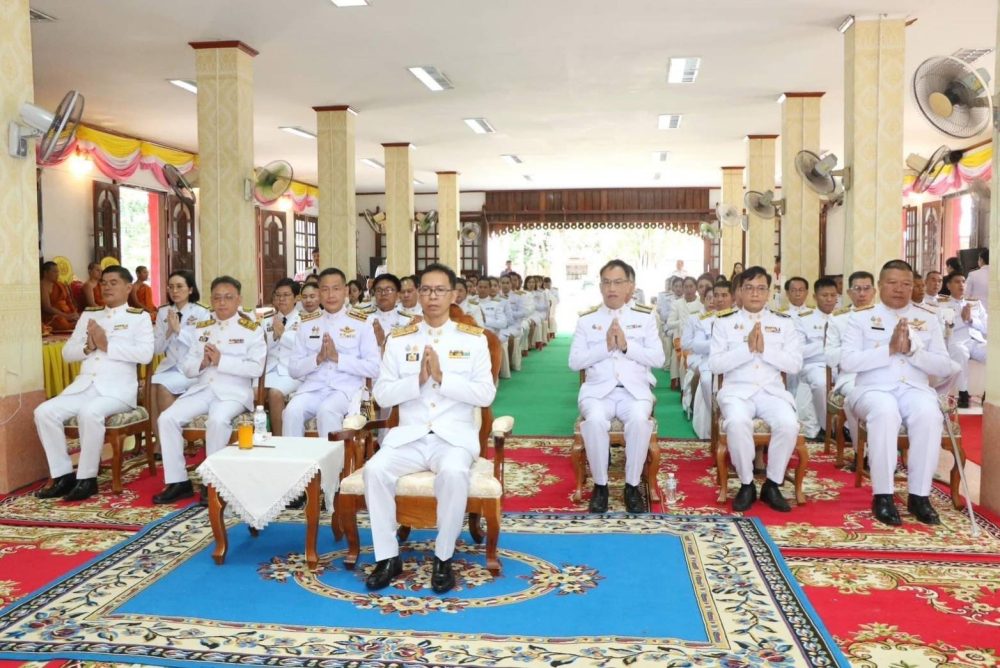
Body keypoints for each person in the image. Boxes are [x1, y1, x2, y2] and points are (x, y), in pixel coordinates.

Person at [362, 262, 496, 594]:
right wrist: (418, 380)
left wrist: (441, 378)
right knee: (374, 470)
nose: (432, 296)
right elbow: (382, 394)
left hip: (453, 438)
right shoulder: (399, 340)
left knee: (453, 473)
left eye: (439, 290)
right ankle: (387, 557)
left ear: (453, 295)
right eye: (426, 290)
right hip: (410, 436)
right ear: (418, 294)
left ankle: (443, 557)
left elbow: (485, 394)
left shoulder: (474, 340)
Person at [840, 260, 954, 526]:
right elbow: (847, 362)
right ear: (880, 285)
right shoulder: (861, 318)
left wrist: (914, 352)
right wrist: (889, 349)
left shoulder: (928, 318)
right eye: (892, 283)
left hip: (914, 388)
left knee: (929, 415)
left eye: (906, 284)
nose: (899, 289)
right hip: (872, 389)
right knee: (885, 412)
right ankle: (883, 496)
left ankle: (919, 496)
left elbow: (943, 365)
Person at [34, 266, 154, 501]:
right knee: (44, 412)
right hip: (85, 387)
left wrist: (106, 345)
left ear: (128, 287)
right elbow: (67, 353)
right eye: (104, 283)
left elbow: (145, 354)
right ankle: (63, 475)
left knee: (90, 413)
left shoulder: (139, 318)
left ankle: (87, 479)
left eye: (113, 282)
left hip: (117, 391)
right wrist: (88, 347)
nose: (107, 287)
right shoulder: (90, 315)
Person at [153, 276, 266, 504]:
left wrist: (221, 361)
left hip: (233, 393)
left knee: (217, 420)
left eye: (228, 297)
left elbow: (256, 368)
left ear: (239, 300)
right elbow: (187, 367)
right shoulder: (201, 328)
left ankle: (212, 482)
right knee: (167, 418)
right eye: (217, 298)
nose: (222, 302)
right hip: (203, 389)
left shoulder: (251, 329)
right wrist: (202, 363)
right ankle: (178, 481)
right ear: (211, 300)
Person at [569, 259, 664, 514]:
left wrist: (625, 346)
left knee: (639, 421)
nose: (612, 288)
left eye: (618, 282)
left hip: (634, 392)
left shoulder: (645, 317)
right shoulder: (587, 320)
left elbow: (658, 359)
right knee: (594, 421)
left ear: (630, 286)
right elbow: (574, 362)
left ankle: (632, 487)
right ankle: (600, 486)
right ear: (600, 286)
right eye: (607, 282)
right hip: (597, 392)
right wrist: (606, 346)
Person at [710, 266, 802, 513]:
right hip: (737, 392)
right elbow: (715, 364)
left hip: (772, 392)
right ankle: (746, 483)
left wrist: (764, 350)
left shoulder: (784, 323)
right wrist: (747, 349)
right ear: (739, 291)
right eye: (749, 288)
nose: (755, 293)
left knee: (788, 424)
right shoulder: (724, 322)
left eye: (761, 288)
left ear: (768, 293)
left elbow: (795, 365)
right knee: (737, 423)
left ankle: (772, 484)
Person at [283, 268, 380, 439]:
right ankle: (295, 456)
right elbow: (294, 370)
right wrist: (318, 358)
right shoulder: (307, 323)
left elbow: (374, 368)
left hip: (346, 389)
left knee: (327, 411)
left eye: (336, 289)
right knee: (291, 411)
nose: (330, 295)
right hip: (313, 388)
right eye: (325, 289)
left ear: (346, 291)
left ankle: (333, 458)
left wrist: (338, 358)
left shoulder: (362, 322)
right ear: (319, 293)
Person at [149, 270, 210, 443]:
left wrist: (179, 331)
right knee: (152, 386)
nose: (174, 291)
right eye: (171, 287)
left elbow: (201, 344)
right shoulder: (163, 312)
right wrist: (169, 331)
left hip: (192, 369)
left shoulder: (202, 312)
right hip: (169, 366)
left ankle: (173, 441)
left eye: (179, 286)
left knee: (162, 386)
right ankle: (161, 441)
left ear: (190, 289)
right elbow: (157, 348)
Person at [794, 277, 840, 442]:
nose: (829, 299)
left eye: (833, 295)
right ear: (815, 297)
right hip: (814, 365)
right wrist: (826, 345)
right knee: (821, 383)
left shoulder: (845, 318)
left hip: (842, 365)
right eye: (824, 295)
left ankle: (849, 427)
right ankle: (827, 427)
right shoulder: (803, 319)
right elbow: (799, 351)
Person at [691, 281, 734, 438]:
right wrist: (718, 343)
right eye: (716, 295)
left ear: (732, 297)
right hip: (710, 361)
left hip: (733, 363)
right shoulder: (705, 320)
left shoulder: (739, 319)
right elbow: (696, 346)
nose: (720, 299)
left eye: (724, 295)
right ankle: (716, 419)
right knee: (707, 381)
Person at [939, 272, 987, 408]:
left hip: (976, 341)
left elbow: (986, 327)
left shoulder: (975, 304)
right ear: (948, 285)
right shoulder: (942, 305)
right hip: (956, 340)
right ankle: (963, 393)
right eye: (957, 282)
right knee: (960, 353)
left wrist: (971, 320)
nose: (961, 285)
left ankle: (989, 392)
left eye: (963, 281)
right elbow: (941, 328)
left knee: (994, 354)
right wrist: (959, 320)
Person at [262, 279, 302, 436]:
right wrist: (273, 335)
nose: (281, 299)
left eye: (286, 295)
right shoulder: (266, 320)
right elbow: (261, 347)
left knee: (275, 393)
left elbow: (302, 347)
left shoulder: (304, 319)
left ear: (296, 298)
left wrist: (283, 334)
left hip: (291, 372)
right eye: (278, 295)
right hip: (269, 369)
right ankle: (259, 436)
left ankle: (279, 439)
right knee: (253, 392)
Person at [667, 277, 703, 390]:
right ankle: (684, 390)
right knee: (683, 359)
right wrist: (683, 321)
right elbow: (669, 323)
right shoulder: (677, 304)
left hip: (699, 339)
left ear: (696, 288)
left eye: (691, 286)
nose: (688, 289)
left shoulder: (701, 303)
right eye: (686, 287)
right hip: (682, 339)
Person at [369, 273, 417, 351]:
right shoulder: (364, 318)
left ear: (397, 295)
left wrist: (383, 342)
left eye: (388, 290)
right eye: (379, 290)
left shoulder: (408, 321)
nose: (383, 294)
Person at [40, 260, 79, 332]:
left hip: (67, 313)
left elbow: (69, 301)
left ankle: (75, 323)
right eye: (54, 272)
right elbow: (47, 307)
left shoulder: (60, 285)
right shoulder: (43, 286)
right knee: (61, 322)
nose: (57, 274)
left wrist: (74, 313)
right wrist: (66, 316)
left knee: (83, 316)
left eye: (58, 272)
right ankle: (73, 325)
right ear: (45, 273)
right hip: (53, 316)